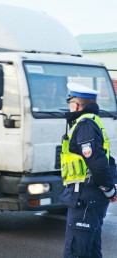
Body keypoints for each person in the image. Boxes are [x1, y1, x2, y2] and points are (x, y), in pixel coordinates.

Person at [60, 82, 117, 258]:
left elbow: (97, 162)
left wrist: (109, 189)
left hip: (84, 197)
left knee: (76, 252)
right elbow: (108, 159)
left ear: (76, 105)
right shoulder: (93, 122)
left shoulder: (84, 125)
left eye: (70, 102)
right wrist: (111, 186)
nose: (69, 107)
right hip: (89, 198)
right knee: (91, 251)